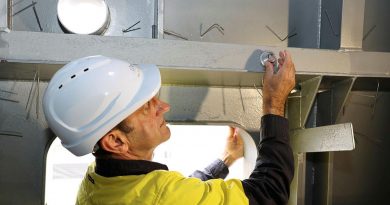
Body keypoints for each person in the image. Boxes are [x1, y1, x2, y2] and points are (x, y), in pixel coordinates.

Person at [43, 50, 295, 205]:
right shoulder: (160, 195)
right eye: (146, 107)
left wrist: (227, 158)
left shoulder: (96, 179)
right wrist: (273, 104)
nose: (163, 107)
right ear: (116, 141)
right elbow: (269, 194)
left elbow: (180, 195)